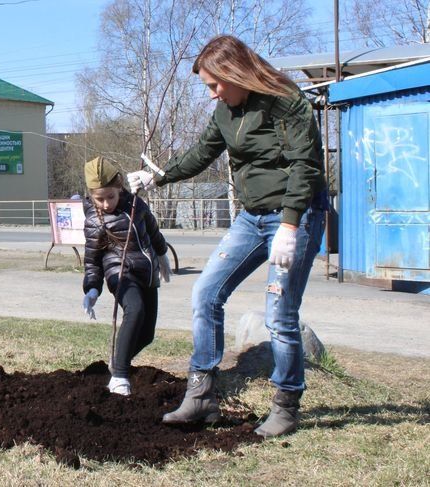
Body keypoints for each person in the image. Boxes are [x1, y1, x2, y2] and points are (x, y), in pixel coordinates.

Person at [128, 35, 326, 437]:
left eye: (217, 84)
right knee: (206, 293)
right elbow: (202, 152)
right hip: (251, 219)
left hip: (296, 216)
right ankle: (201, 395)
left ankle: (286, 405)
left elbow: (306, 165)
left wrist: (290, 225)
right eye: (208, 87)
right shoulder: (224, 112)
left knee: (280, 316)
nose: (213, 94)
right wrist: (158, 176)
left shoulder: (285, 100)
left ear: (238, 72)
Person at [82, 156, 170, 396]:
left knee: (147, 334)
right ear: (91, 196)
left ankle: (117, 360)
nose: (106, 204)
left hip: (147, 271)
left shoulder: (136, 205)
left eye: (110, 196)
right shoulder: (94, 221)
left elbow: (152, 229)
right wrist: (92, 288)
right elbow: (92, 260)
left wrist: (162, 254)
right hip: (119, 273)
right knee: (135, 309)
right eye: (99, 199)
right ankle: (120, 376)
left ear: (120, 187)